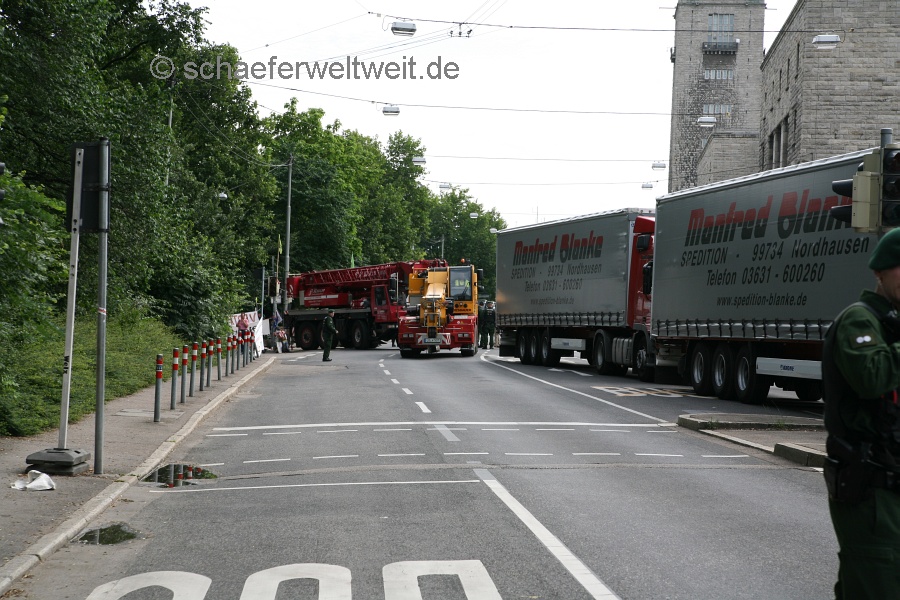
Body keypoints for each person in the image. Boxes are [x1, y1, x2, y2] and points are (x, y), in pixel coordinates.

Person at [823, 227, 900, 599]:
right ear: (879, 271)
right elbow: (872, 377)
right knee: (876, 582)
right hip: (872, 490)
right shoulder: (860, 319)